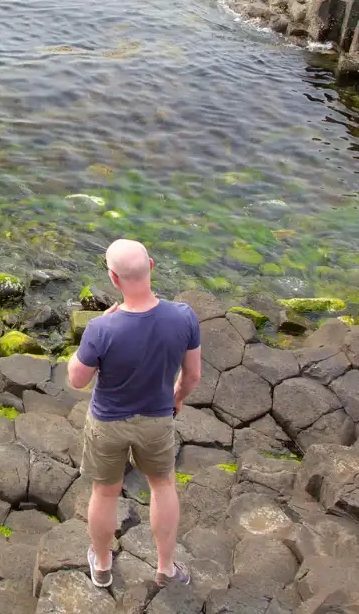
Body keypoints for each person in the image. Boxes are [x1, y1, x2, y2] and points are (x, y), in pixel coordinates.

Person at [68, 239, 202, 589]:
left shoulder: (102, 328)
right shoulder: (184, 316)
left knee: (105, 493)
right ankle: (166, 568)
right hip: (157, 419)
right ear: (152, 265)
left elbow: (76, 379)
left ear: (114, 279)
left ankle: (101, 566)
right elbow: (192, 377)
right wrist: (178, 397)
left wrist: (93, 331)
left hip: (108, 422)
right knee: (162, 487)